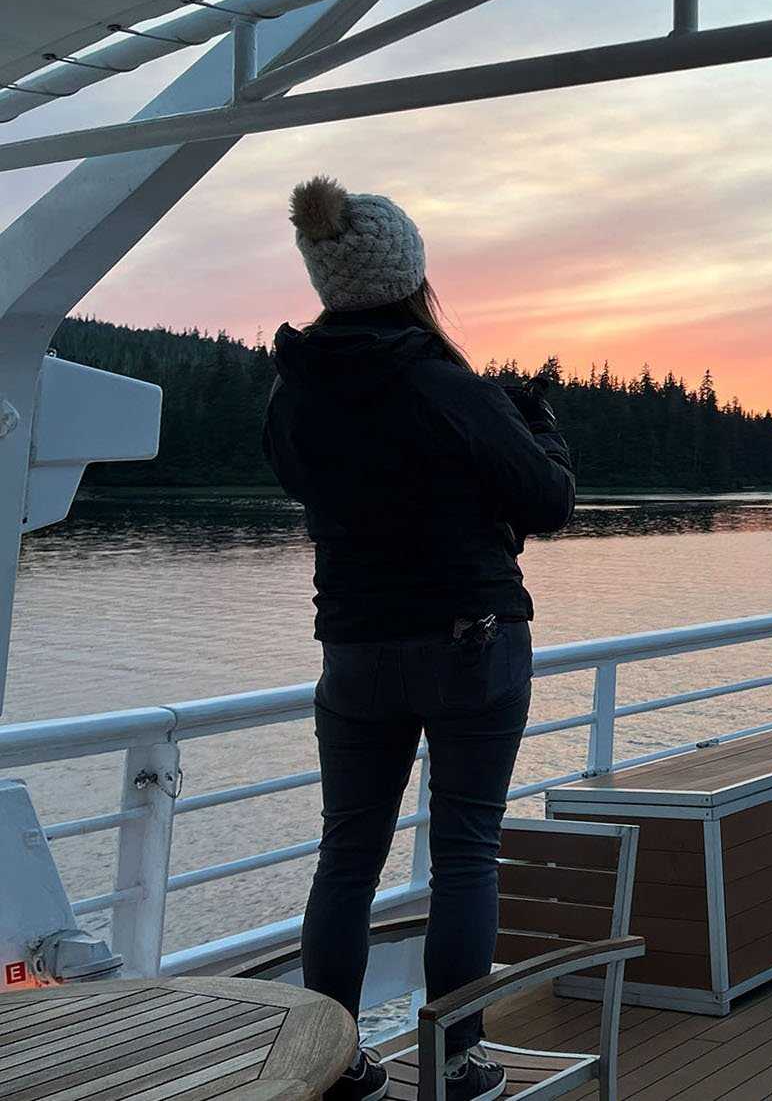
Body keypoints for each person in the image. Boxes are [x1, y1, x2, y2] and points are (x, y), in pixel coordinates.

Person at [264, 176, 575, 1101]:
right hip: (470, 641)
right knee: (467, 848)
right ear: (411, 275)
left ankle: (336, 1065)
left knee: (347, 857)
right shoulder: (441, 382)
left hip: (353, 650)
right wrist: (541, 429)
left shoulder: (292, 395)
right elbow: (548, 503)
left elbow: (311, 487)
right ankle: (459, 1059)